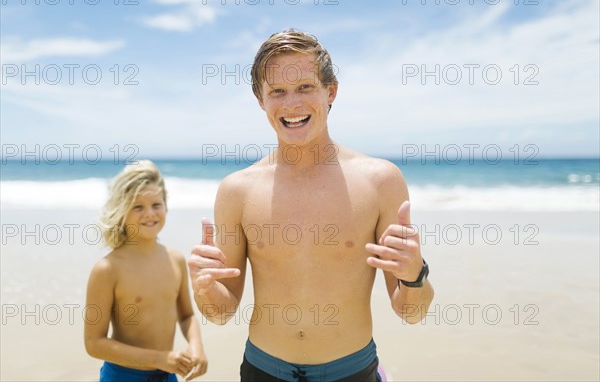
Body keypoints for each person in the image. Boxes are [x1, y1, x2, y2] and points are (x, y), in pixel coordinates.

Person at [188, 29, 434, 381]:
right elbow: (220, 312)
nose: (291, 104)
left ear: (330, 91)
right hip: (262, 370)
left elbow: (412, 313)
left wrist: (414, 276)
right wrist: (204, 288)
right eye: (277, 91)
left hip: (352, 371)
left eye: (305, 87)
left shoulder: (379, 181)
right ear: (261, 100)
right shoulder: (237, 191)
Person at [84, 160, 208, 382]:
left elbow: (186, 315)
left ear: (166, 206)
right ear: (121, 211)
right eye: (137, 207)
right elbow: (94, 343)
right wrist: (158, 358)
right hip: (123, 375)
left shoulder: (175, 260)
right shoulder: (107, 269)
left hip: (167, 374)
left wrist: (196, 346)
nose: (149, 214)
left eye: (156, 205)